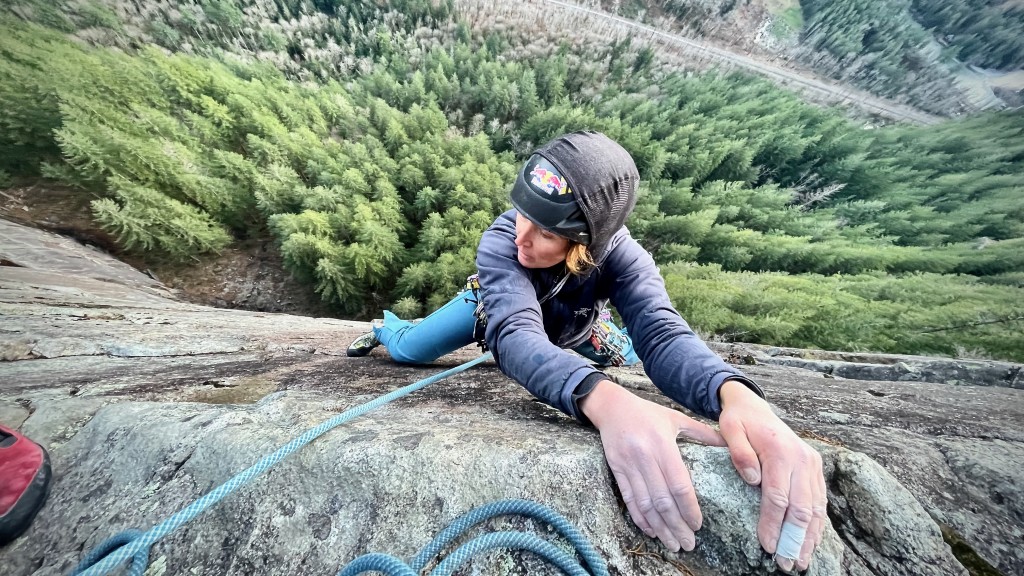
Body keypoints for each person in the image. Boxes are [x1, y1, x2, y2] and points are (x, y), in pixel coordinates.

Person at [348, 131, 826, 572]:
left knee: (637, 359)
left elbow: (659, 332)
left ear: (585, 243)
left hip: (579, 331)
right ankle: (384, 325)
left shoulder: (622, 256)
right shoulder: (502, 242)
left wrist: (734, 394)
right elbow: (514, 333)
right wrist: (605, 399)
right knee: (411, 350)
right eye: (522, 213)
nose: (522, 237)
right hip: (490, 310)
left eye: (547, 233)